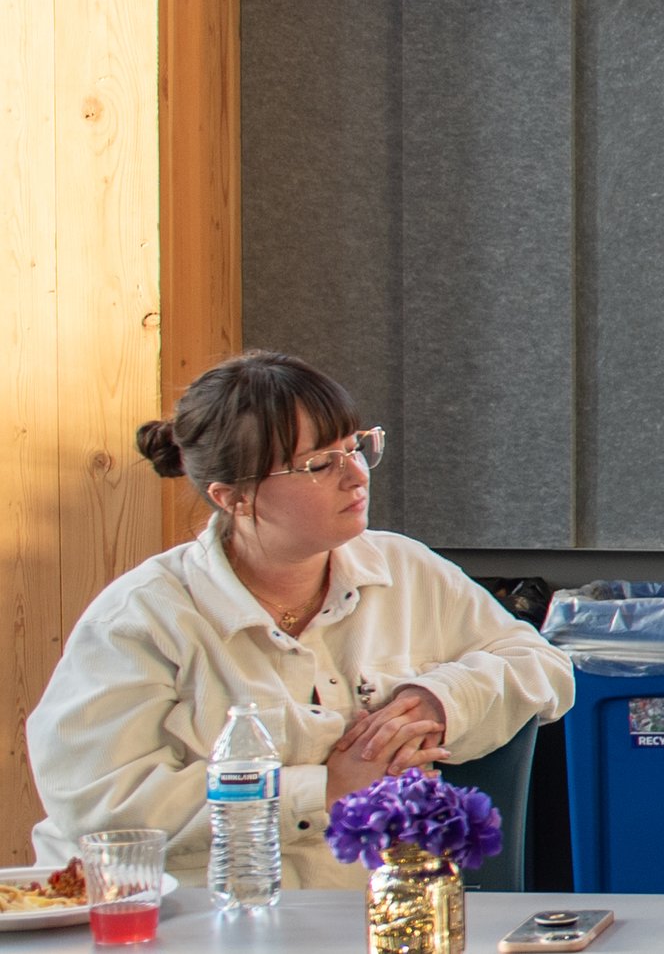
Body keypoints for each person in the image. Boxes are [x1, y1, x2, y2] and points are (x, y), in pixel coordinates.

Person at [28, 350, 574, 887]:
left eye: (356, 447)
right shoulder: (143, 617)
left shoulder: (406, 569)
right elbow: (101, 808)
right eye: (319, 464)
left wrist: (439, 701)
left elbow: (544, 668)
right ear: (234, 498)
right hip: (184, 919)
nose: (355, 476)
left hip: (369, 914)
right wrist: (324, 791)